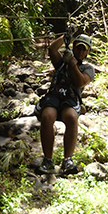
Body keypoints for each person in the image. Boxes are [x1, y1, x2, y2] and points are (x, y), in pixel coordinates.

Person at [34, 32, 95, 175]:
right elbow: (52, 50)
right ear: (73, 48)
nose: (80, 51)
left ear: (87, 52)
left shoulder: (87, 69)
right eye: (78, 48)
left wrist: (72, 63)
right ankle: (48, 160)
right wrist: (65, 37)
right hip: (55, 95)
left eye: (83, 49)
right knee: (47, 116)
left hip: (71, 98)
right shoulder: (61, 63)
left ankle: (68, 160)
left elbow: (80, 82)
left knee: (72, 117)